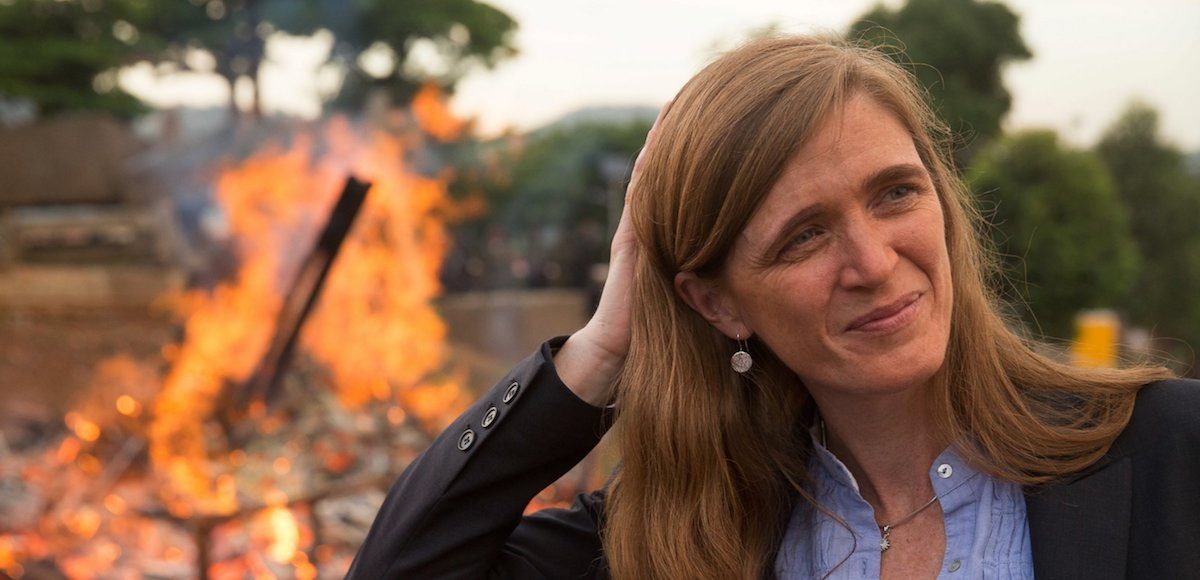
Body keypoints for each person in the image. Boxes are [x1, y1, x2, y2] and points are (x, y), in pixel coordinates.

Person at [347, 35, 1200, 579]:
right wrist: (600, 348)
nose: (872, 261)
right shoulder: (668, 544)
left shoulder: (1168, 450)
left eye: (896, 194)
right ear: (718, 305)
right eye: (803, 237)